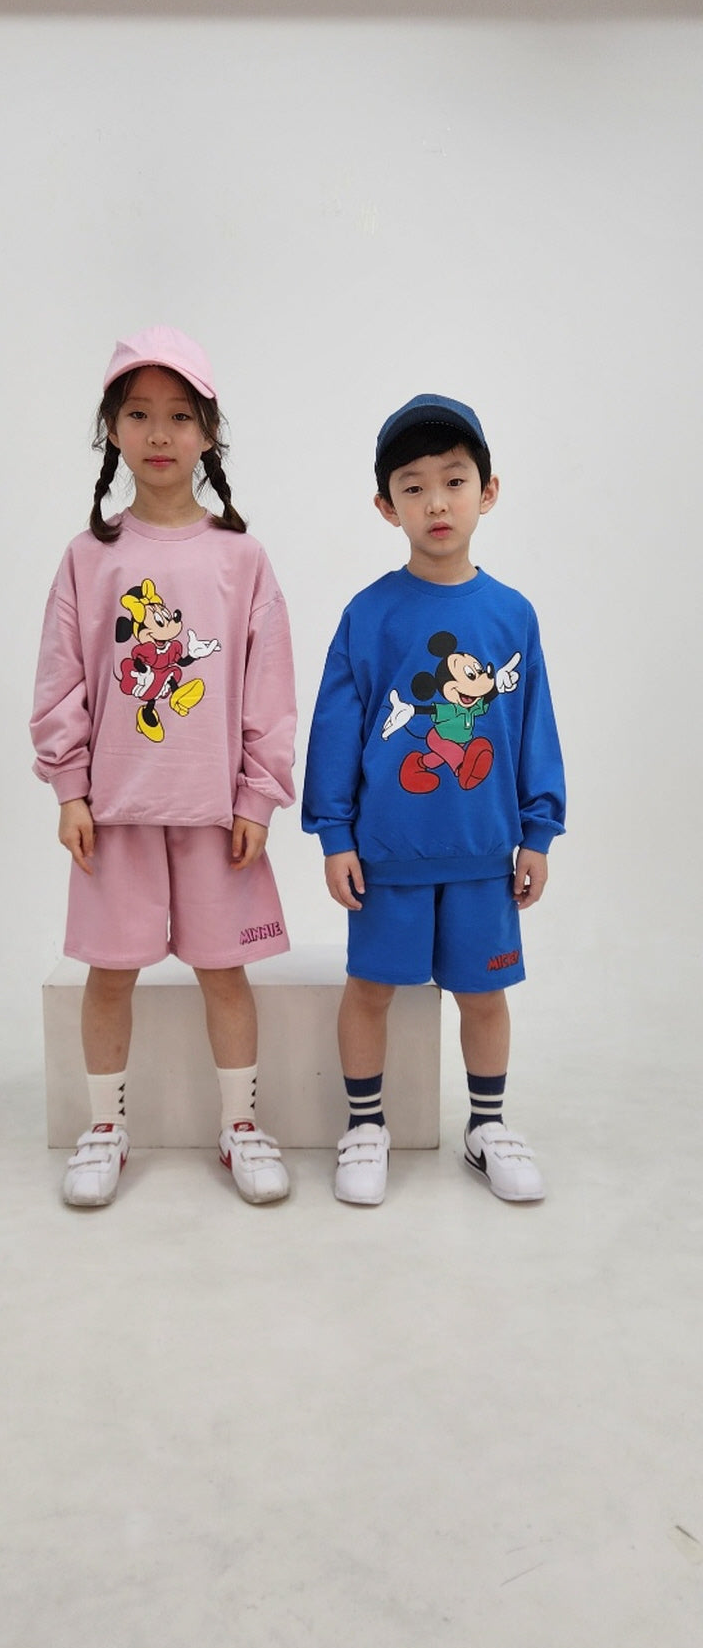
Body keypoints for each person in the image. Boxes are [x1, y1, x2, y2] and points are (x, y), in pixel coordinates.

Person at [31, 324, 296, 1209]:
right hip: (115, 815)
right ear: (112, 428)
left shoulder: (241, 559)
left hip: (218, 816)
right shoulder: (90, 556)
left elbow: (269, 689)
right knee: (109, 974)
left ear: (208, 433)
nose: (159, 433)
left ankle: (240, 1125)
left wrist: (259, 795)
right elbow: (61, 678)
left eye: (180, 415)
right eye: (139, 413)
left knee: (226, 973)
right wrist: (69, 787)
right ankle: (104, 1127)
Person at [302, 392, 565, 1207]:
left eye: (454, 481)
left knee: (484, 994)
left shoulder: (512, 615)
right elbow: (335, 730)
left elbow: (534, 726)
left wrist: (538, 831)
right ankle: (364, 1125)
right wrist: (335, 835)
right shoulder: (369, 614)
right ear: (387, 506)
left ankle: (487, 1126)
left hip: (485, 854)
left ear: (488, 491)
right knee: (370, 988)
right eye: (413, 487)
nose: (437, 502)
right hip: (389, 854)